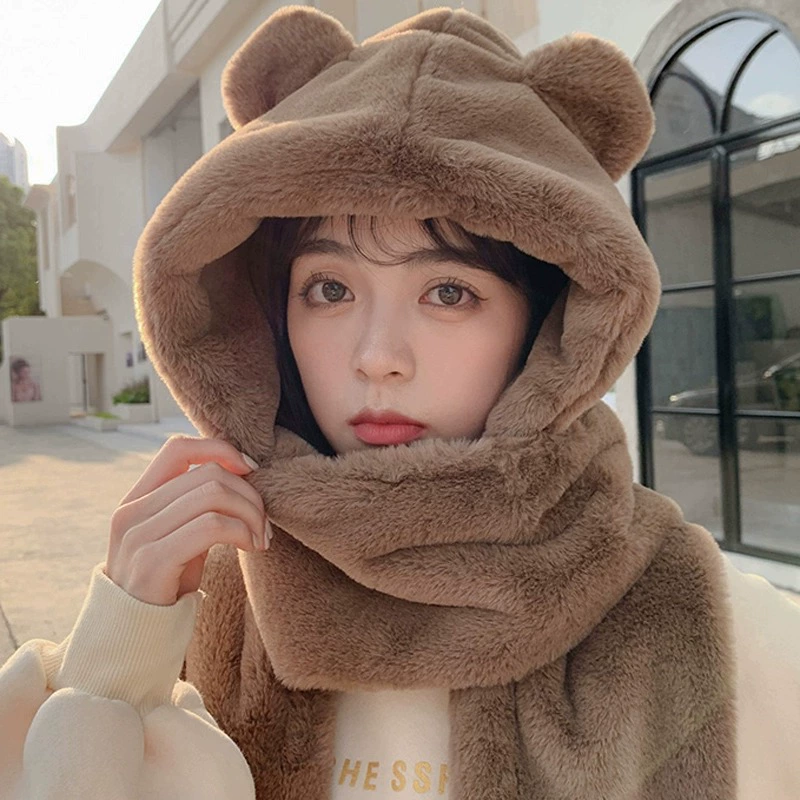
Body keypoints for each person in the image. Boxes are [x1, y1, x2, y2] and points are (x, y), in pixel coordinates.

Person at [1, 6, 799, 799]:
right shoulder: (186, 602)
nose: (377, 356)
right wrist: (115, 662)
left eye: (448, 292)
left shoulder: (725, 632)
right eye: (330, 289)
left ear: (546, 328)